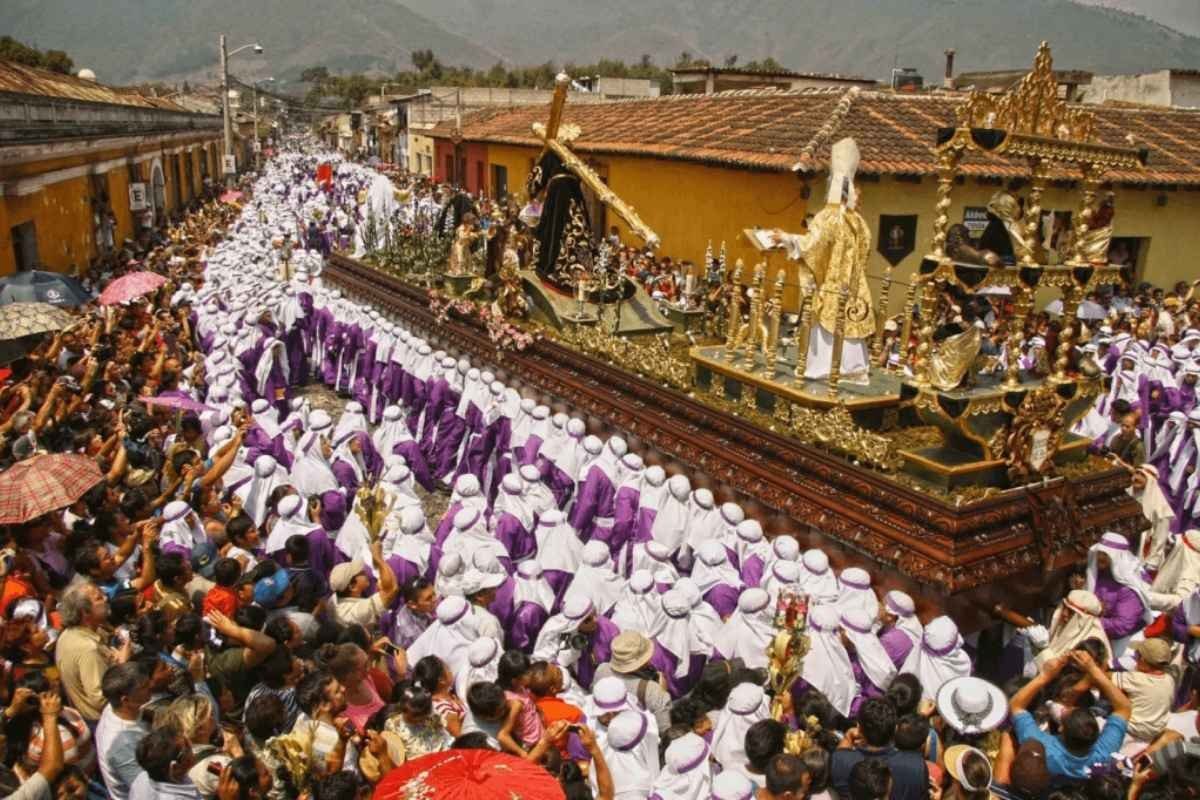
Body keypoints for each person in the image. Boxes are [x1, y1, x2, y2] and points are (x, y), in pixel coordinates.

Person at [1009, 649, 1131, 780]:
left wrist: (1044, 675)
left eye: (1065, 712)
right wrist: (1093, 669)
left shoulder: (1041, 748)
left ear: (1061, 728)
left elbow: (1016, 706)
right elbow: (1124, 708)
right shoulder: (1103, 754)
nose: (1065, 707)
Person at [55, 583, 130, 723]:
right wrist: (123, 665)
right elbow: (101, 699)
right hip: (104, 719)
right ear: (85, 612)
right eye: (99, 598)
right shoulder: (87, 648)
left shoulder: (70, 634)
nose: (106, 599)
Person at [829, 697, 928, 800]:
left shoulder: (839, 761)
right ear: (895, 729)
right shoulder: (916, 766)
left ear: (859, 728)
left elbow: (839, 757)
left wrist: (847, 737)